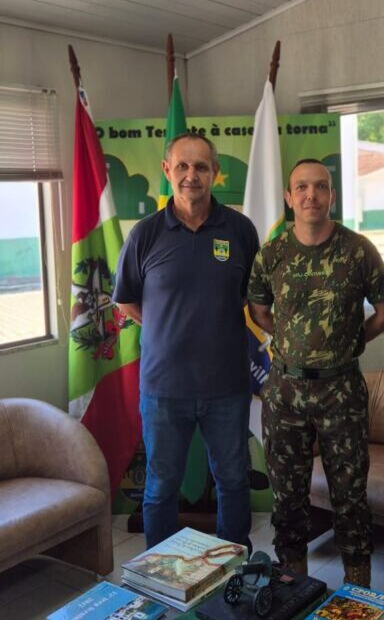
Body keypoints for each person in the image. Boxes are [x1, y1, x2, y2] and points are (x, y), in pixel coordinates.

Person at [248, 158, 384, 587]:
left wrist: (348, 342)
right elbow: (259, 310)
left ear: (332, 194)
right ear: (288, 197)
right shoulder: (272, 253)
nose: (311, 195)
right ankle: (294, 590)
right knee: (288, 500)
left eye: (320, 187)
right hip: (285, 392)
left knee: (350, 498)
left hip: (341, 391)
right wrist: (294, 343)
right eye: (302, 187)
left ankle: (357, 594)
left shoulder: (358, 249)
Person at [114, 132, 259, 550]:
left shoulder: (240, 230)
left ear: (215, 172)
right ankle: (158, 574)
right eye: (182, 166)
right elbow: (126, 300)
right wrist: (165, 327)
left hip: (227, 387)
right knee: (161, 486)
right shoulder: (145, 234)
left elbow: (252, 296)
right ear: (167, 170)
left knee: (233, 481)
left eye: (200, 166)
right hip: (164, 389)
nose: (191, 175)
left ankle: (234, 568)